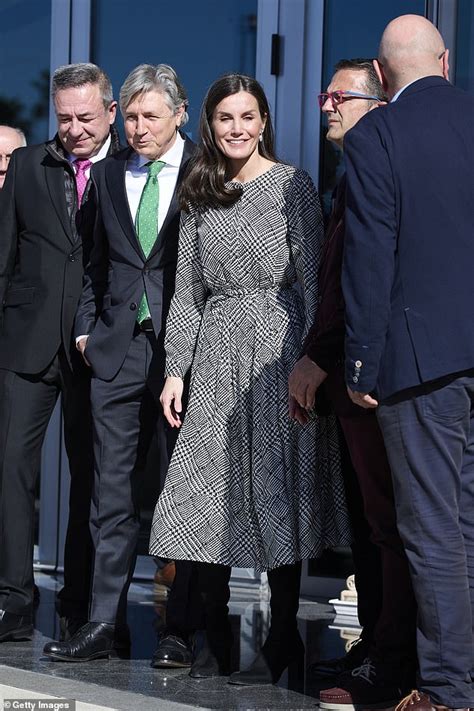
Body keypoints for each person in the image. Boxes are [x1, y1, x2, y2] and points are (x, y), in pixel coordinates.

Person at [149, 73, 350, 685]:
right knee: (201, 493)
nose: (236, 129)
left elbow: (315, 283)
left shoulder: (294, 185)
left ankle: (283, 633)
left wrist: (312, 363)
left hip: (278, 350)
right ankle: (210, 634)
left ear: (264, 122)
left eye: (247, 117)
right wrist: (175, 372)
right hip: (213, 354)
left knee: (276, 488)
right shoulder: (200, 191)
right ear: (208, 125)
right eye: (224, 119)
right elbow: (186, 291)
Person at [43, 64, 199, 667]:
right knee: (110, 496)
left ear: (178, 115)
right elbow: (94, 263)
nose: (137, 127)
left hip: (182, 352)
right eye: (130, 116)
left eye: (150, 116)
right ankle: (104, 622)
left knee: (180, 495)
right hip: (114, 352)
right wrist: (86, 331)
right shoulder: (107, 175)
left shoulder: (202, 171)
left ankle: (179, 629)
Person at [341, 15, 474, 711]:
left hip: (421, 366)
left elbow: (370, 259)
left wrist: (361, 367)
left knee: (431, 529)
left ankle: (449, 690)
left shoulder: (377, 136)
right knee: (467, 523)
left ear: (382, 74)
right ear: (445, 62)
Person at [289, 58, 418, 709]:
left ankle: (394, 663)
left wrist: (321, 353)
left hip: (373, 376)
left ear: (377, 99)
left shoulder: (381, 166)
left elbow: (359, 283)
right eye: (324, 95)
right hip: (349, 375)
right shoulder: (352, 172)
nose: (326, 106)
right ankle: (376, 641)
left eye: (338, 95)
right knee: (371, 525)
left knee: (390, 524)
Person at [0, 63, 120, 643]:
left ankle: (77, 605)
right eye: (64, 117)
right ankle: (14, 600)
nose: (73, 129)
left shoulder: (129, 170)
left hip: (94, 349)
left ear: (111, 112)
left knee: (90, 479)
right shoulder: (26, 166)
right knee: (10, 470)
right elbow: (3, 254)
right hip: (25, 342)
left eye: (86, 117)